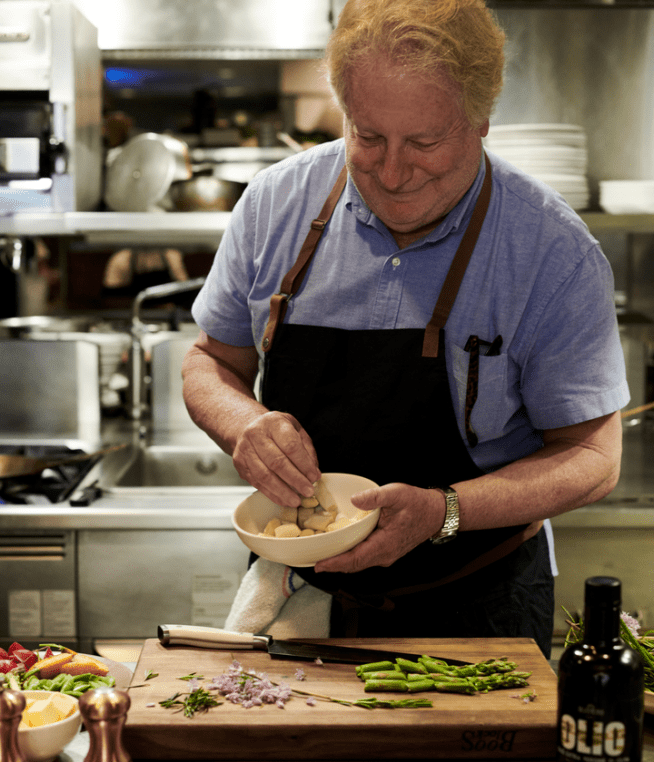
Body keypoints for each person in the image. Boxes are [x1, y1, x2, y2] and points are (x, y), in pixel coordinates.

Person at [181, 0, 628, 657]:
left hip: (480, 610)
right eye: (368, 136)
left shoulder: (551, 251)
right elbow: (209, 361)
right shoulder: (275, 204)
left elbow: (595, 458)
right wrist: (241, 423)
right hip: (301, 597)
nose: (392, 173)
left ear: (481, 121)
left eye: (423, 143)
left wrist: (444, 511)